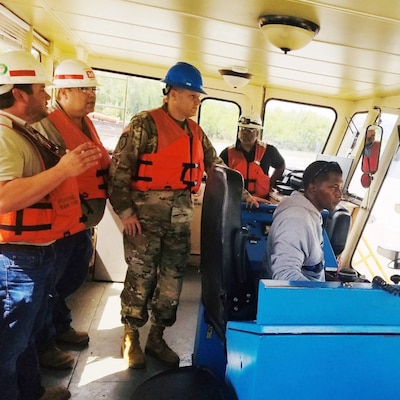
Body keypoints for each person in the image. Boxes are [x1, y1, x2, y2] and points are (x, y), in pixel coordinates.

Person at [108, 61, 236, 369]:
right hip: (144, 221)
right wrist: (125, 212)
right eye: (193, 95)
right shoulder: (144, 125)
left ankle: (157, 338)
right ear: (173, 93)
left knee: (171, 284)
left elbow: (215, 166)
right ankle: (131, 335)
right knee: (141, 279)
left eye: (198, 97)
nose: (197, 101)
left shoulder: (195, 132)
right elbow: (118, 172)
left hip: (178, 223)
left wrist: (242, 192)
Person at [0, 51, 102, 400]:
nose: (47, 95)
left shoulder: (21, 131)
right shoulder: (2, 136)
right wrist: (63, 170)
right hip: (15, 259)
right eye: (41, 88)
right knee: (8, 345)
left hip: (38, 249)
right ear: (18, 93)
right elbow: (2, 199)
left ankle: (32, 392)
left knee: (23, 338)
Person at [32, 59, 111, 369]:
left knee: (73, 276)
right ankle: (44, 344)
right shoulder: (47, 125)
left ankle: (59, 325)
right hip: (59, 223)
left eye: (92, 89)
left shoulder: (85, 122)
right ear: (62, 93)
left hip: (82, 221)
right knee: (51, 285)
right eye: (83, 89)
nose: (91, 95)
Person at [262, 160, 343, 282]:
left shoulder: (311, 212)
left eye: (341, 188)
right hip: (292, 298)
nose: (339, 194)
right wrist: (319, 299)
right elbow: (284, 275)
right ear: (312, 188)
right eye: (333, 187)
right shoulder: (296, 221)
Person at [219, 112, 285, 201]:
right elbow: (218, 173)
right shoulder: (227, 153)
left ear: (257, 133)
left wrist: (270, 183)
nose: (245, 133)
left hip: (261, 201)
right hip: (234, 200)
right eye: (243, 129)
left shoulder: (269, 151)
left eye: (250, 130)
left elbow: (281, 165)